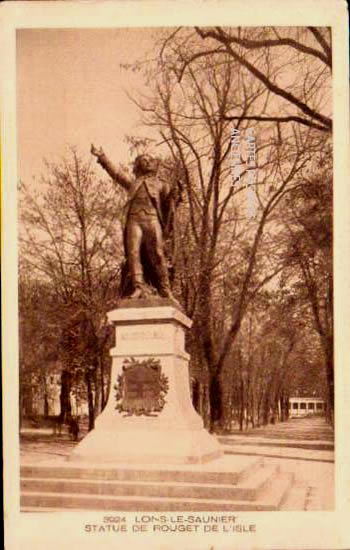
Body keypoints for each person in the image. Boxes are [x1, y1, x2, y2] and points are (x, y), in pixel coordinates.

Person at [91, 145, 179, 303]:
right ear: (138, 165)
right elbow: (116, 173)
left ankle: (165, 289)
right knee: (133, 253)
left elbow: (169, 205)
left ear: (153, 164)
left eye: (148, 160)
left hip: (152, 220)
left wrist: (175, 196)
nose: (145, 162)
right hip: (134, 221)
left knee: (157, 254)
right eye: (142, 160)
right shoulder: (133, 182)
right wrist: (102, 157)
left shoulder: (161, 184)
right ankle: (138, 286)